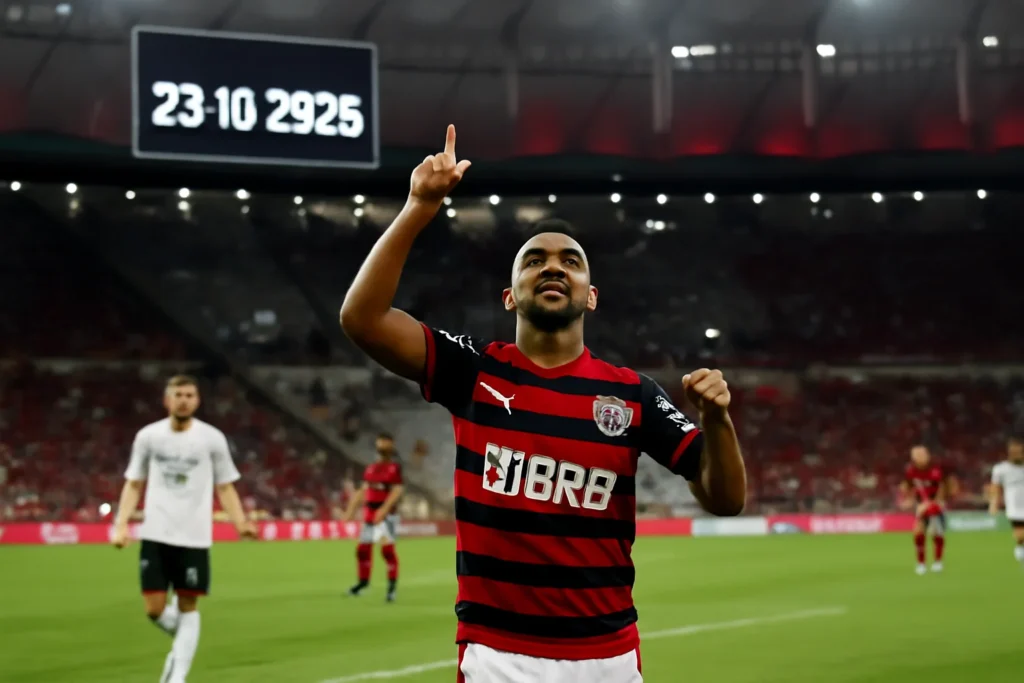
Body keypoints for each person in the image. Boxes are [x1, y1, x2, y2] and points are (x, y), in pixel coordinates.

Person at [340, 125, 746, 683]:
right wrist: (417, 207)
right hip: (498, 657)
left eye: (571, 261)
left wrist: (718, 422)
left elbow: (726, 498)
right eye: (533, 260)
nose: (553, 266)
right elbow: (362, 320)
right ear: (510, 294)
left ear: (591, 295)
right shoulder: (474, 370)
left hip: (608, 658)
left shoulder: (632, 395)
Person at [111, 375, 256, 683]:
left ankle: (176, 677)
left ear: (197, 400)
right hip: (155, 532)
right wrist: (120, 525)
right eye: (178, 394)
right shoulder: (148, 437)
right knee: (154, 609)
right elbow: (134, 482)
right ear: (167, 400)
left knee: (188, 605)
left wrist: (240, 522)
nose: (184, 400)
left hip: (194, 536)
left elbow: (226, 487)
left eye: (190, 394)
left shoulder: (212, 439)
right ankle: (185, 642)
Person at [343, 432, 405, 601]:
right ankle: (362, 583)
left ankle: (391, 589)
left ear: (391, 446)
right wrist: (350, 510)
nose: (381, 446)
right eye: (380, 443)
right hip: (370, 513)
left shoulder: (394, 468)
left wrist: (384, 510)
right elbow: (363, 490)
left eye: (385, 443)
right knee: (362, 549)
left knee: (387, 550)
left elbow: (397, 491)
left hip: (386, 516)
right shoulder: (371, 468)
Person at [900, 444, 954, 575]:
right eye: (916, 455)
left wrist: (935, 503)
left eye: (922, 454)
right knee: (918, 533)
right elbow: (907, 486)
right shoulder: (911, 471)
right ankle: (921, 563)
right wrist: (907, 499)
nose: (919, 457)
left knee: (936, 533)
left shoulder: (936, 468)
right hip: (921, 505)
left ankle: (938, 562)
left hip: (936, 504)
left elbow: (943, 486)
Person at [989, 434, 1024, 565]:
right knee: (1020, 534)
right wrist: (994, 503)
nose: (1016, 454)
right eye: (1013, 452)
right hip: (1015, 506)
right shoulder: (1000, 469)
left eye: (1019, 451)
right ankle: (1020, 546)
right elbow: (995, 487)